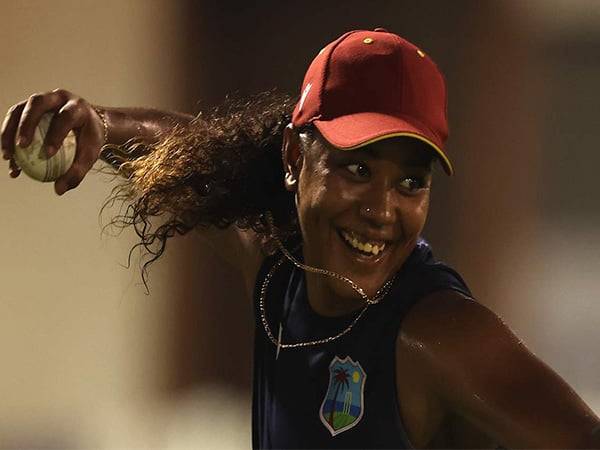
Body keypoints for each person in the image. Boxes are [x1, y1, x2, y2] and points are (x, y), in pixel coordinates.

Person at [2, 28, 599, 449]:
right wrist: (103, 127)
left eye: (410, 182)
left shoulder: (438, 334)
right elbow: (192, 155)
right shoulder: (278, 271)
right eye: (357, 169)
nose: (381, 210)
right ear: (294, 155)